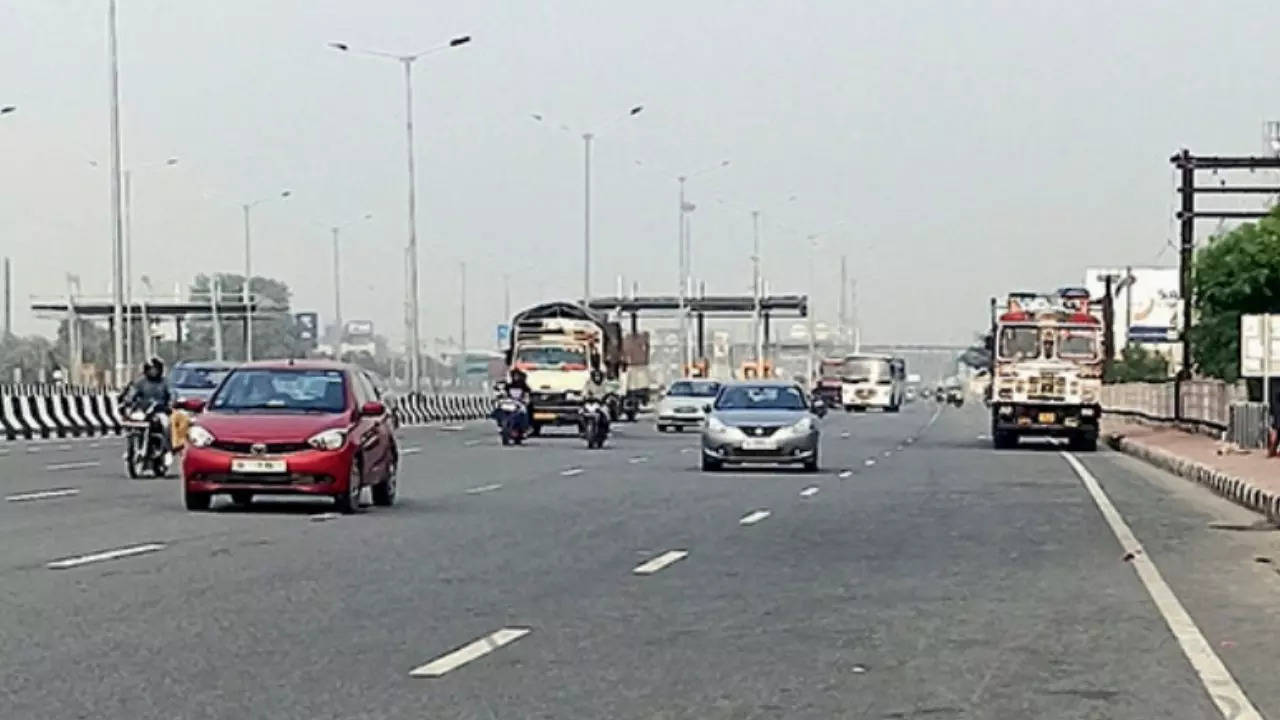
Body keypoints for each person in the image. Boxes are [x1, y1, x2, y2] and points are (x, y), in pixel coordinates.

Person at [120, 357, 173, 453]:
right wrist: (128, 401)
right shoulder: (140, 382)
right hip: (143, 411)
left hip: (159, 412)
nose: (153, 372)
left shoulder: (165, 382)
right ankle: (132, 448)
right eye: (151, 369)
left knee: (166, 425)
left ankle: (165, 448)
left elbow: (171, 395)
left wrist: (170, 405)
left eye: (155, 369)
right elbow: (132, 394)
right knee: (132, 423)